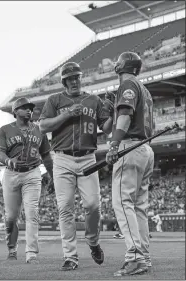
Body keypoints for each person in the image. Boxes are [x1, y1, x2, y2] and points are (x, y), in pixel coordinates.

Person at [39, 62, 114, 271]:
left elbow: (107, 129)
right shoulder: (54, 100)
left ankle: (92, 241)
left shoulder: (94, 99)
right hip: (62, 159)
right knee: (65, 208)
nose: (74, 81)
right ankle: (70, 256)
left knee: (93, 205)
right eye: (70, 78)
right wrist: (67, 114)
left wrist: (114, 112)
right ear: (64, 82)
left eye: (77, 77)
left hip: (88, 157)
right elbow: (43, 125)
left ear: (81, 79)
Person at [106, 52, 154, 276]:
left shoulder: (128, 84)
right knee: (139, 207)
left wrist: (114, 145)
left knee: (123, 203)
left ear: (121, 65)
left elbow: (125, 116)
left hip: (130, 146)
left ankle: (135, 258)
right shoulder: (144, 88)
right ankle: (143, 257)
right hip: (146, 148)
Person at [0, 97, 54, 264]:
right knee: (11, 217)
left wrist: (52, 175)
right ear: (15, 112)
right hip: (12, 173)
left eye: (30, 108)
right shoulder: (5, 130)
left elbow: (47, 155)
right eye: (24, 107)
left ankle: (31, 253)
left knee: (32, 213)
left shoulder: (39, 130)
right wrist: (8, 160)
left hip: (33, 173)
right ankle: (12, 249)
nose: (29, 110)